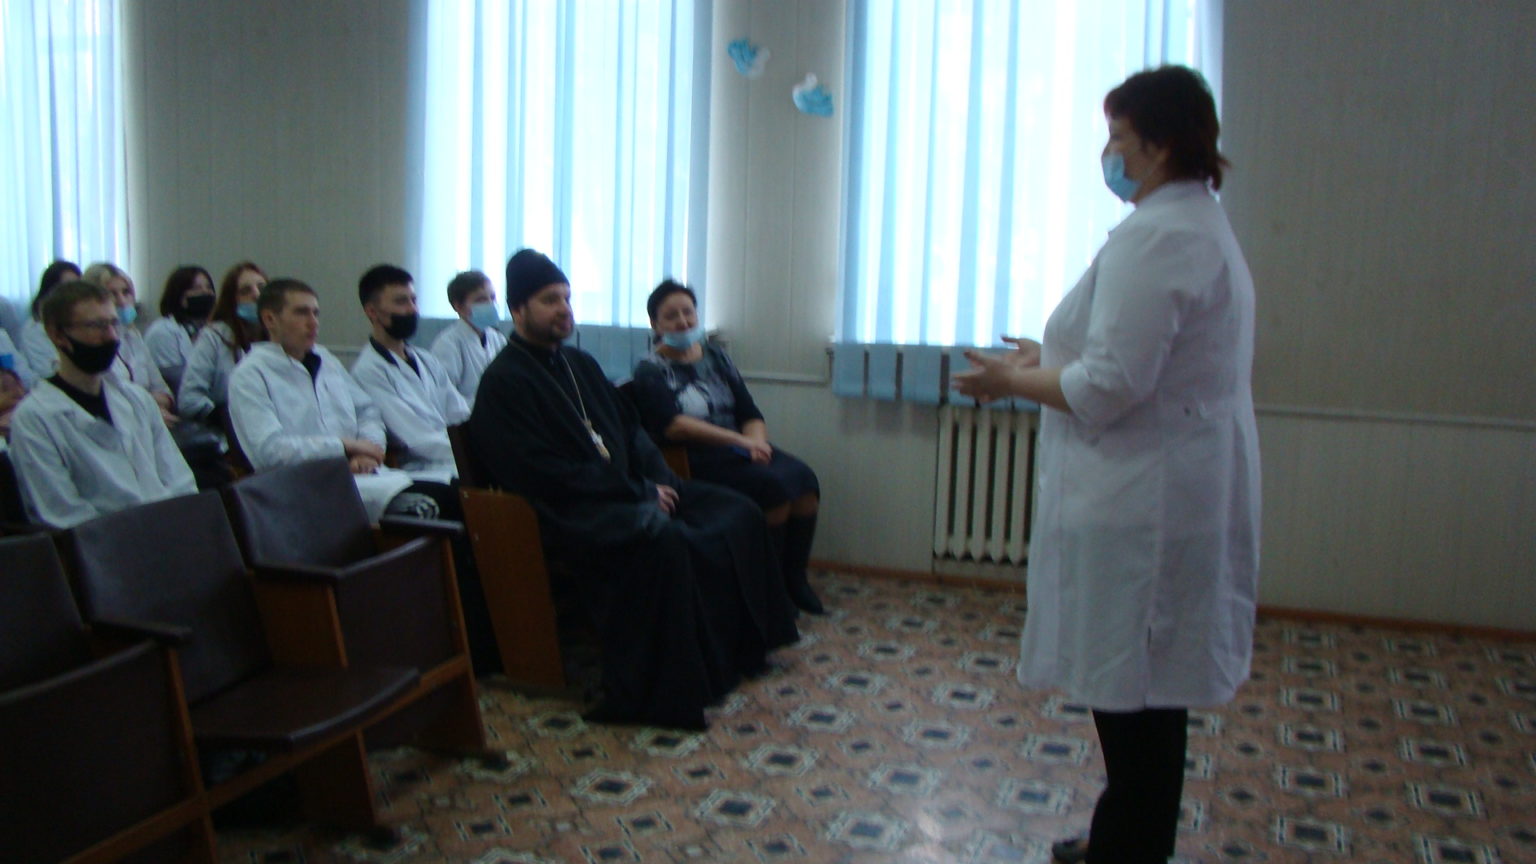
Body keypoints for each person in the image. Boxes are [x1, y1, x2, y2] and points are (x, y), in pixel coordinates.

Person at [953, 66, 1260, 864]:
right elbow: (1131, 353)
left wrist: (1008, 381)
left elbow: (1113, 384)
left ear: (1159, 146)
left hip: (1142, 505)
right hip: (1166, 491)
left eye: (1119, 138)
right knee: (1146, 700)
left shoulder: (1159, 237)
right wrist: (1045, 355)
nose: (1109, 154)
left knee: (1137, 702)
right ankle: (1124, 840)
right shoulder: (1191, 224)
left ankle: (1126, 850)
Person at [467, 248, 799, 729]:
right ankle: (665, 690)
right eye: (549, 300)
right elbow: (541, 473)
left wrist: (658, 480)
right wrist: (637, 492)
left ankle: (738, 655)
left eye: (566, 298)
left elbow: (632, 432)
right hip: (571, 511)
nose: (563, 309)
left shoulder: (578, 363)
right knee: (664, 539)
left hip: (630, 488)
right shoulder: (504, 383)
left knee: (739, 511)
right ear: (518, 310)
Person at [630, 280, 825, 614]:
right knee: (774, 492)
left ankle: (795, 580)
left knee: (805, 482)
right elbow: (673, 426)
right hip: (694, 457)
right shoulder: (649, 369)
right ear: (656, 324)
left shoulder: (716, 356)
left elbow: (749, 412)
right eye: (671, 316)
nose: (683, 321)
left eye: (688, 312)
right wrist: (740, 441)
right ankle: (772, 590)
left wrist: (757, 444)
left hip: (739, 448)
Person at [351, 263, 501, 673]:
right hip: (424, 468)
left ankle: (511, 622)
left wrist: (482, 441)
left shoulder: (425, 360)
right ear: (373, 312)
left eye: (414, 299)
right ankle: (481, 641)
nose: (411, 309)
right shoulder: (368, 371)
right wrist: (471, 452)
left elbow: (459, 413)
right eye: (400, 302)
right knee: (480, 513)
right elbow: (417, 437)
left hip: (454, 456)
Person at [227, 278, 435, 522]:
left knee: (451, 495)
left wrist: (368, 451)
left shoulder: (326, 361)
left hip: (360, 476)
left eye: (315, 313)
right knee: (431, 506)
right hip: (300, 490)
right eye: (301, 313)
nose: (313, 322)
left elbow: (367, 411)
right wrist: (345, 446)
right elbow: (270, 452)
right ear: (270, 319)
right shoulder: (250, 375)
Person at [8, 280, 196, 527]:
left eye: (113, 323)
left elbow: (180, 479)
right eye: (96, 326)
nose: (110, 336)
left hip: (169, 530)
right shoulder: (34, 419)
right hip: (104, 544)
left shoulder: (136, 399)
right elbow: (63, 515)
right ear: (57, 334)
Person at [80, 262, 177, 426]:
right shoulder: (90, 345)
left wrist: (150, 405)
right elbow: (109, 401)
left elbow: (164, 392)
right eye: (112, 294)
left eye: (126, 292)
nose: (122, 300)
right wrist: (149, 407)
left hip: (153, 421)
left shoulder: (134, 336)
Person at [178, 261, 267, 424]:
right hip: (226, 429)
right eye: (246, 291)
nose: (256, 295)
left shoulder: (282, 337)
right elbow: (189, 399)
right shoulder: (215, 336)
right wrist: (224, 417)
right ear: (232, 302)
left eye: (262, 288)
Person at [430, 269, 508, 407]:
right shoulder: (448, 344)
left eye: (492, 297)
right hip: (466, 416)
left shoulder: (498, 339)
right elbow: (444, 397)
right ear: (458, 306)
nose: (490, 304)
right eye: (481, 300)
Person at [144, 265, 215, 392]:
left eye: (209, 287)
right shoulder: (162, 332)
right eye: (196, 288)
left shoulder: (211, 329)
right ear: (180, 297)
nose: (205, 292)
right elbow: (179, 381)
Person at [18, 260, 83, 387]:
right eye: (67, 287)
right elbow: (48, 372)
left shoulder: (81, 322)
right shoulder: (34, 330)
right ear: (50, 291)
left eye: (78, 287)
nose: (74, 294)